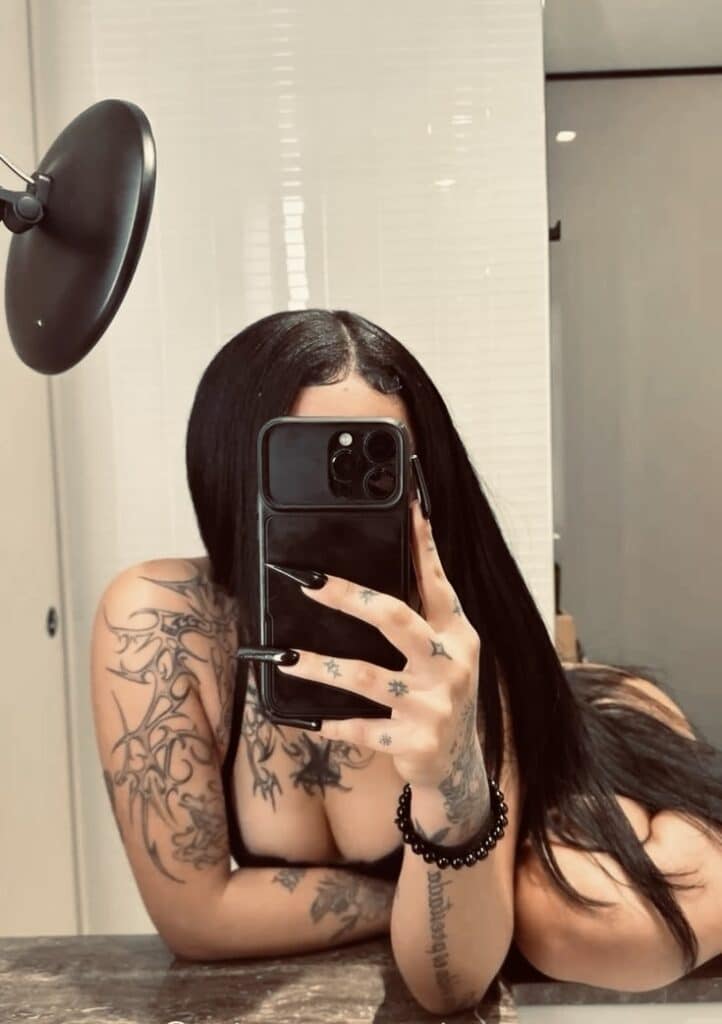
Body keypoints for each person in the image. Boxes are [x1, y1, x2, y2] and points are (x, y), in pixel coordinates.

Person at [90, 308, 722, 1016]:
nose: (334, 508)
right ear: (233, 466)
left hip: (585, 743)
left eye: (373, 469)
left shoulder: (453, 634)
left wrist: (453, 777)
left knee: (589, 927)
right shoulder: (164, 621)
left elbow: (448, 983)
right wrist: (436, 897)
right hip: (492, 814)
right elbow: (198, 918)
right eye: (303, 465)